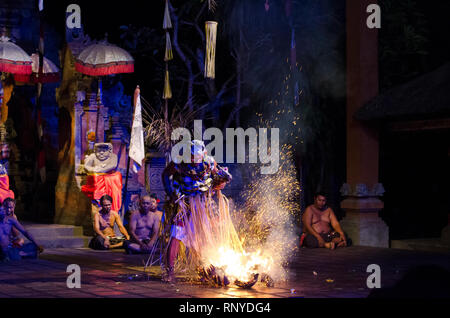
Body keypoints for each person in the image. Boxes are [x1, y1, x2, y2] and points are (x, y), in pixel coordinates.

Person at [162, 140, 234, 282]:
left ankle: (206, 269)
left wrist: (223, 180)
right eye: (192, 157)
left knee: (203, 237)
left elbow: (219, 176)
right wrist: (171, 194)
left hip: (202, 203)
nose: (195, 161)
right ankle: (170, 272)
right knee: (176, 234)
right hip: (185, 203)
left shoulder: (209, 162)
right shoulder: (179, 162)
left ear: (204, 154)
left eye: (197, 157)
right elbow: (165, 175)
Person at [81, 143, 122, 212]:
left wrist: (101, 170)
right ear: (95, 151)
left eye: (104, 151)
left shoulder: (113, 157)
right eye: (99, 151)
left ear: (109, 151)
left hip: (109, 177)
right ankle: (98, 201)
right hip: (96, 178)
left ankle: (111, 205)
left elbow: (113, 165)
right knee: (95, 179)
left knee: (116, 176)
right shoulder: (92, 156)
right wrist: (93, 169)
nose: (101, 153)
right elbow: (86, 166)